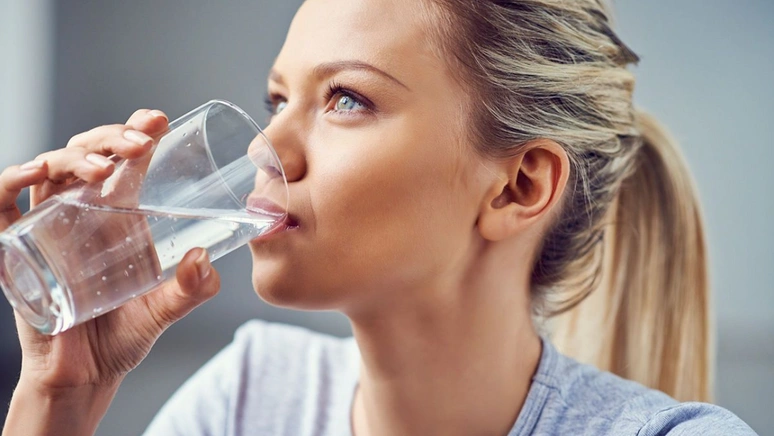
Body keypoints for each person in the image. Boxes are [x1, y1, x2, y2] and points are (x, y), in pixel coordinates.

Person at [0, 0, 758, 435]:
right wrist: (59, 398)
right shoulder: (250, 400)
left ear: (518, 187)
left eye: (347, 99)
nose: (265, 148)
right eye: (277, 100)